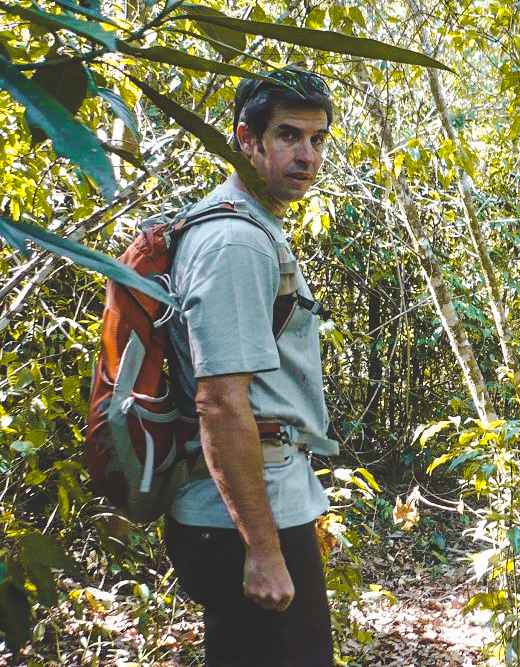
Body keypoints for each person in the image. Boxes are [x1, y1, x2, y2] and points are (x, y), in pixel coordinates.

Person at [162, 65, 338, 667]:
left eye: (317, 139)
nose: (306, 156)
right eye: (288, 135)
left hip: (256, 502)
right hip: (245, 517)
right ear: (246, 139)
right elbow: (219, 401)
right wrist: (262, 551)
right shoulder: (235, 242)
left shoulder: (248, 228)